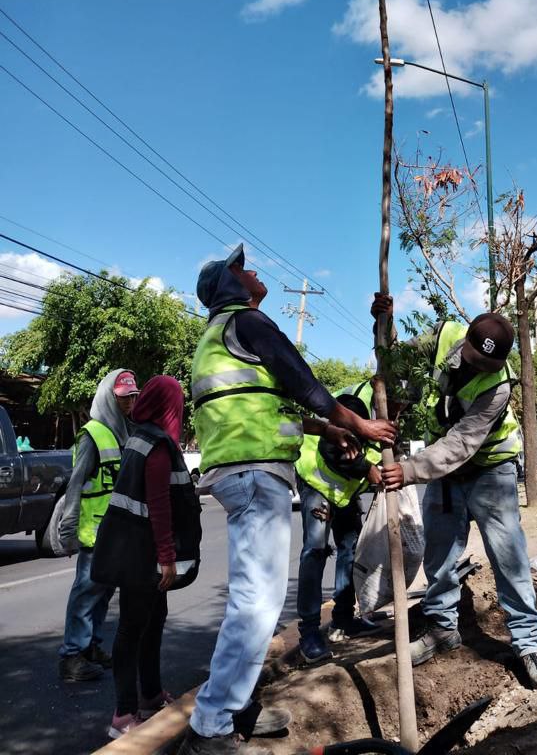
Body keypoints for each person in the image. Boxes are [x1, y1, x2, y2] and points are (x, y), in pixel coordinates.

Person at [179, 245, 397, 755]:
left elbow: (262, 409)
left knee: (252, 599)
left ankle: (237, 707)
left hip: (243, 472)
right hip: (256, 475)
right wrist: (359, 424)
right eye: (242, 267)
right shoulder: (248, 324)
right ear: (231, 285)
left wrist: (324, 427)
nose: (252, 271)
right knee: (256, 602)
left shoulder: (218, 338)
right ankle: (210, 723)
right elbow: (303, 383)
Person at [373, 294, 537, 689]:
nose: (479, 369)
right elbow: (398, 361)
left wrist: (408, 470)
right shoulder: (444, 335)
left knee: (508, 556)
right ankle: (442, 629)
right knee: (440, 553)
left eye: (488, 365)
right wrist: (385, 325)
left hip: (490, 470)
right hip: (444, 472)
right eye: (475, 359)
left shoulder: (499, 385)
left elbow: (460, 445)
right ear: (467, 343)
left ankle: (527, 645)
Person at [90, 376, 201, 738]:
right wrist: (167, 558)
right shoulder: (156, 444)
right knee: (133, 629)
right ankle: (123, 714)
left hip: (137, 551)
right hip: (144, 557)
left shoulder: (142, 437)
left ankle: (150, 694)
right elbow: (158, 507)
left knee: (152, 623)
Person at [57, 369, 139, 682]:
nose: (129, 403)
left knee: (103, 594)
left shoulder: (127, 432)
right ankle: (71, 657)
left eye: (133, 396)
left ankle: (90, 647)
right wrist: (68, 531)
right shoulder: (92, 434)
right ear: (108, 397)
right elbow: (75, 486)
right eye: (123, 398)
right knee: (85, 594)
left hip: (117, 531)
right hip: (94, 532)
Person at [295, 385, 383, 664]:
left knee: (350, 547)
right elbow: (332, 446)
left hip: (342, 492)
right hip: (316, 480)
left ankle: (343, 620)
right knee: (315, 551)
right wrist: (366, 469)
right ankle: (308, 634)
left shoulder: (385, 413)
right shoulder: (358, 401)